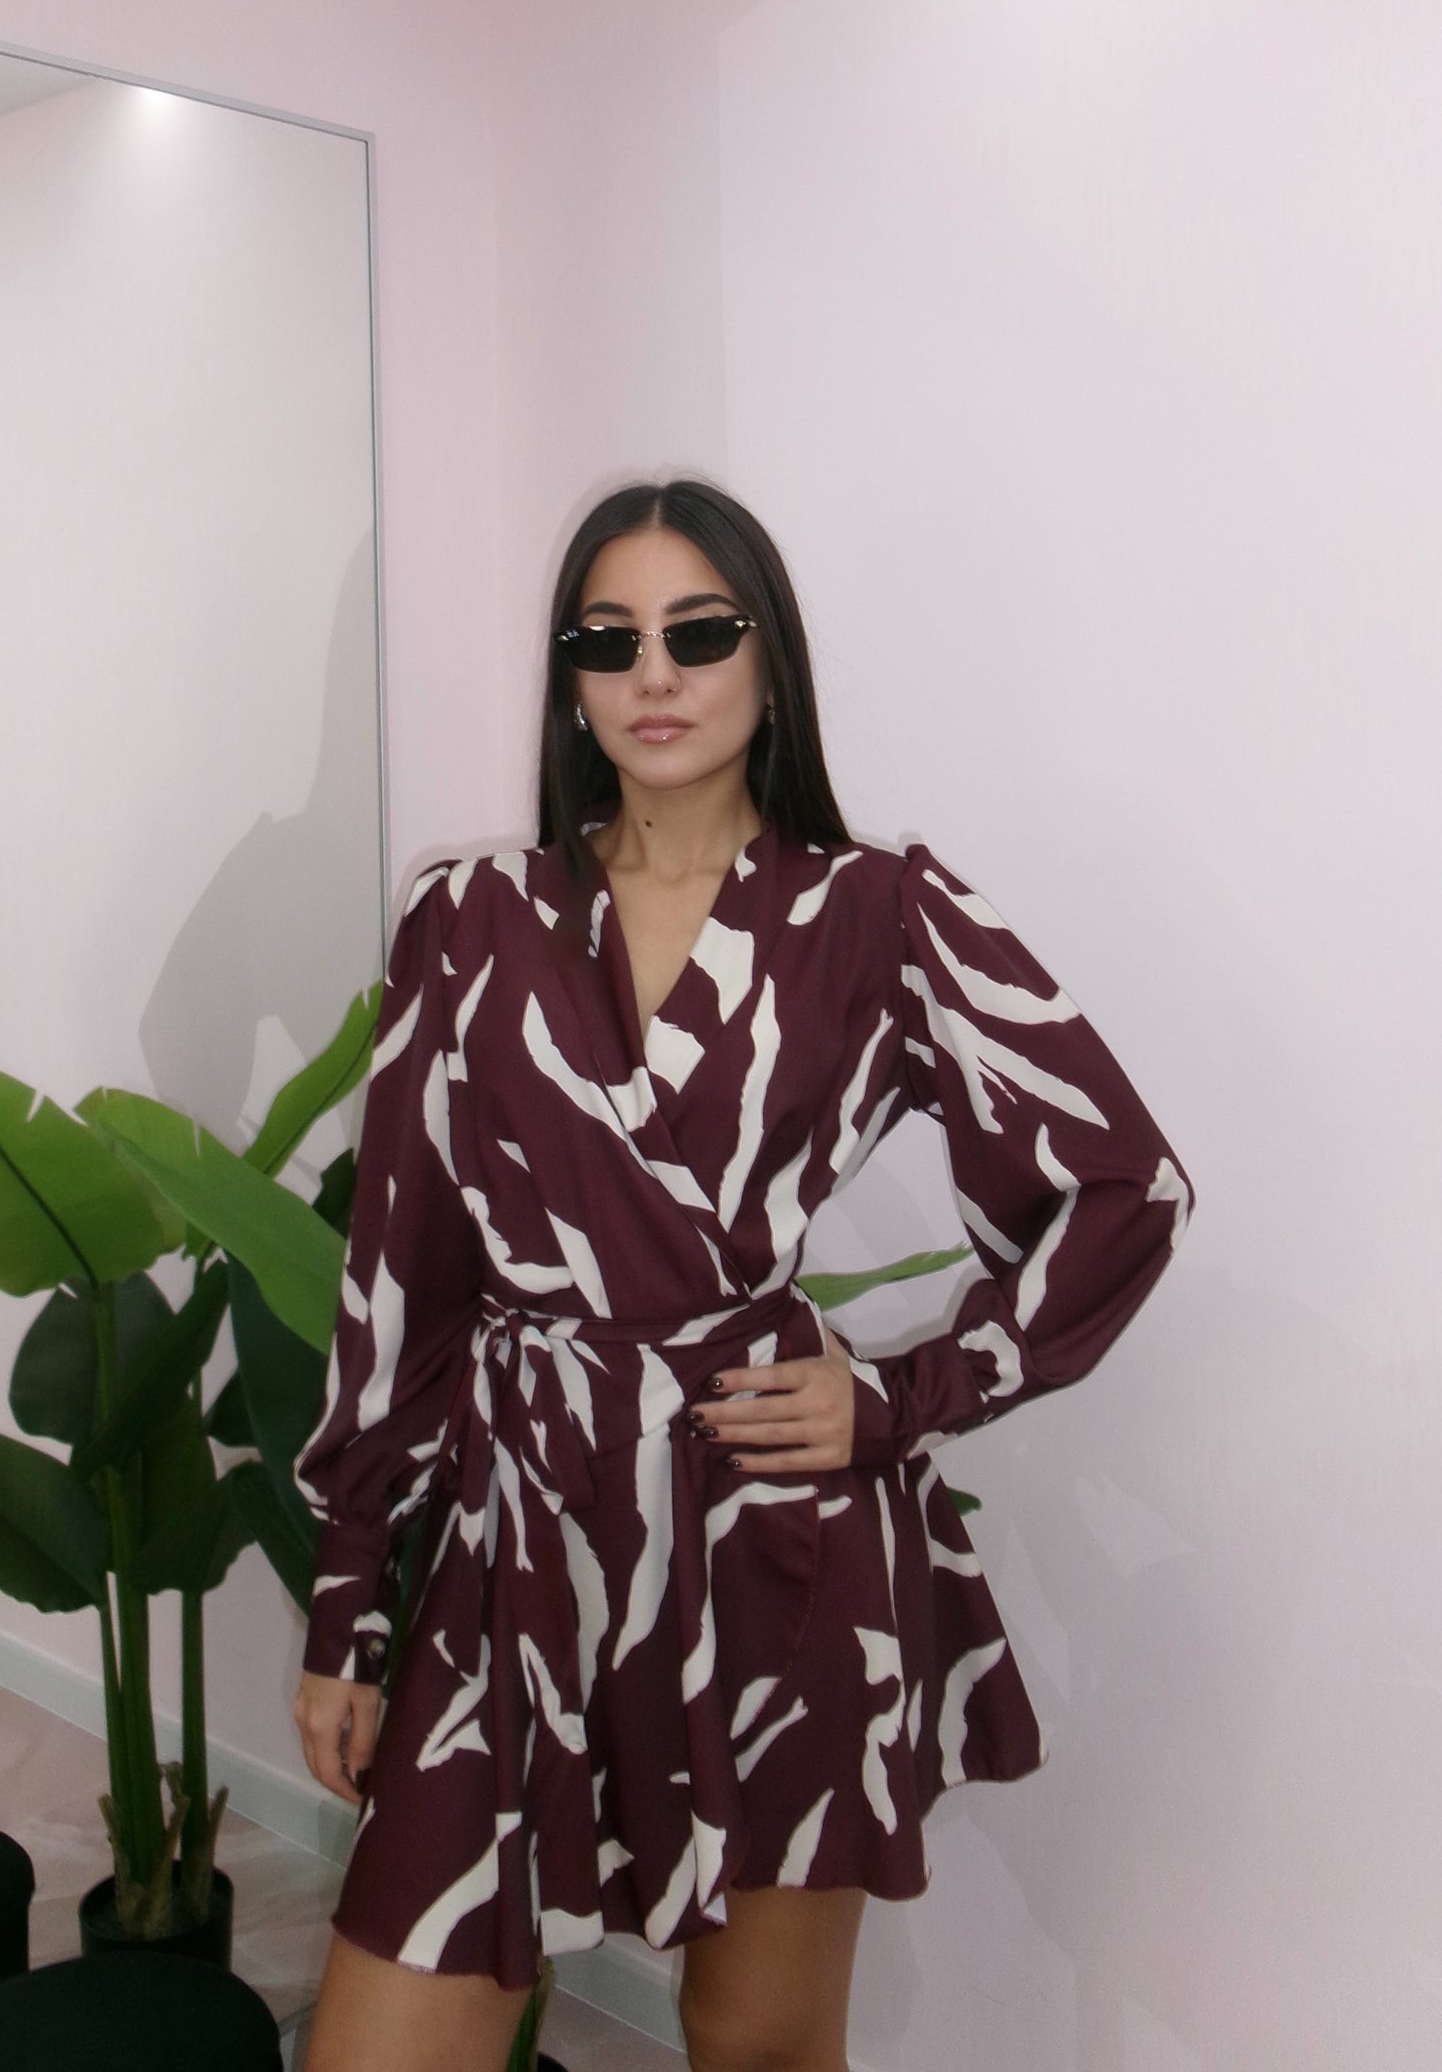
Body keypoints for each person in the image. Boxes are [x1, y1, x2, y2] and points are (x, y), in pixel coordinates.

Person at [292, 482, 1191, 2072]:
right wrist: (350, 1603)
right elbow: (400, 1285)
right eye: (609, 639)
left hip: (770, 1545)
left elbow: (1122, 1188)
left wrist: (905, 1398)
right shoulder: (470, 921)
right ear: (570, 678)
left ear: (768, 662)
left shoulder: (875, 916)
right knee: (381, 2044)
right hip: (524, 1541)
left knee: (761, 2044)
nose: (653, 673)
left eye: (697, 633)